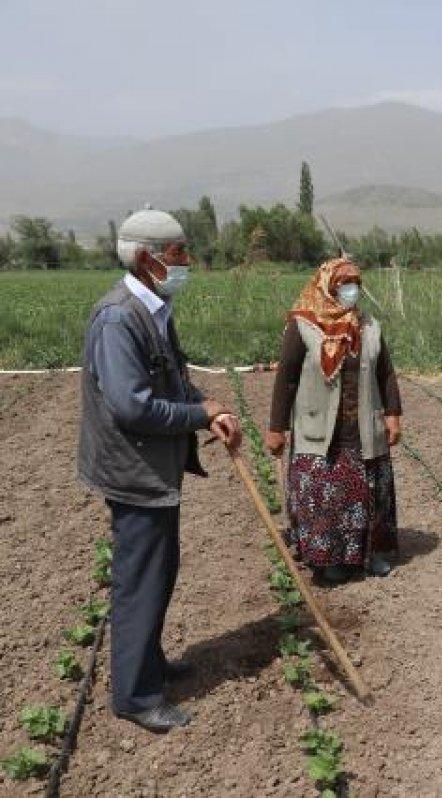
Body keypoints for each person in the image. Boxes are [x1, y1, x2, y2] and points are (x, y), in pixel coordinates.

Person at [78, 206, 242, 733]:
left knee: (159, 572)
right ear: (149, 259)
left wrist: (204, 406)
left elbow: (169, 383)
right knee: (140, 581)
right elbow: (133, 406)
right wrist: (199, 413)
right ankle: (136, 696)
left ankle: (147, 663)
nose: (186, 262)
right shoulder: (118, 318)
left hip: (155, 469)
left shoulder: (155, 308)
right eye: (178, 254)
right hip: (134, 471)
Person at [265, 257, 402, 583]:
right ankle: (328, 561)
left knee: (364, 497)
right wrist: (276, 428)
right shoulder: (303, 325)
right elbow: (286, 379)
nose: (352, 290)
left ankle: (367, 556)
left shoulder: (368, 325)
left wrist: (393, 414)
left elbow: (386, 373)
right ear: (327, 286)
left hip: (362, 429)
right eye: (344, 284)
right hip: (320, 430)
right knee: (324, 499)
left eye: (356, 283)